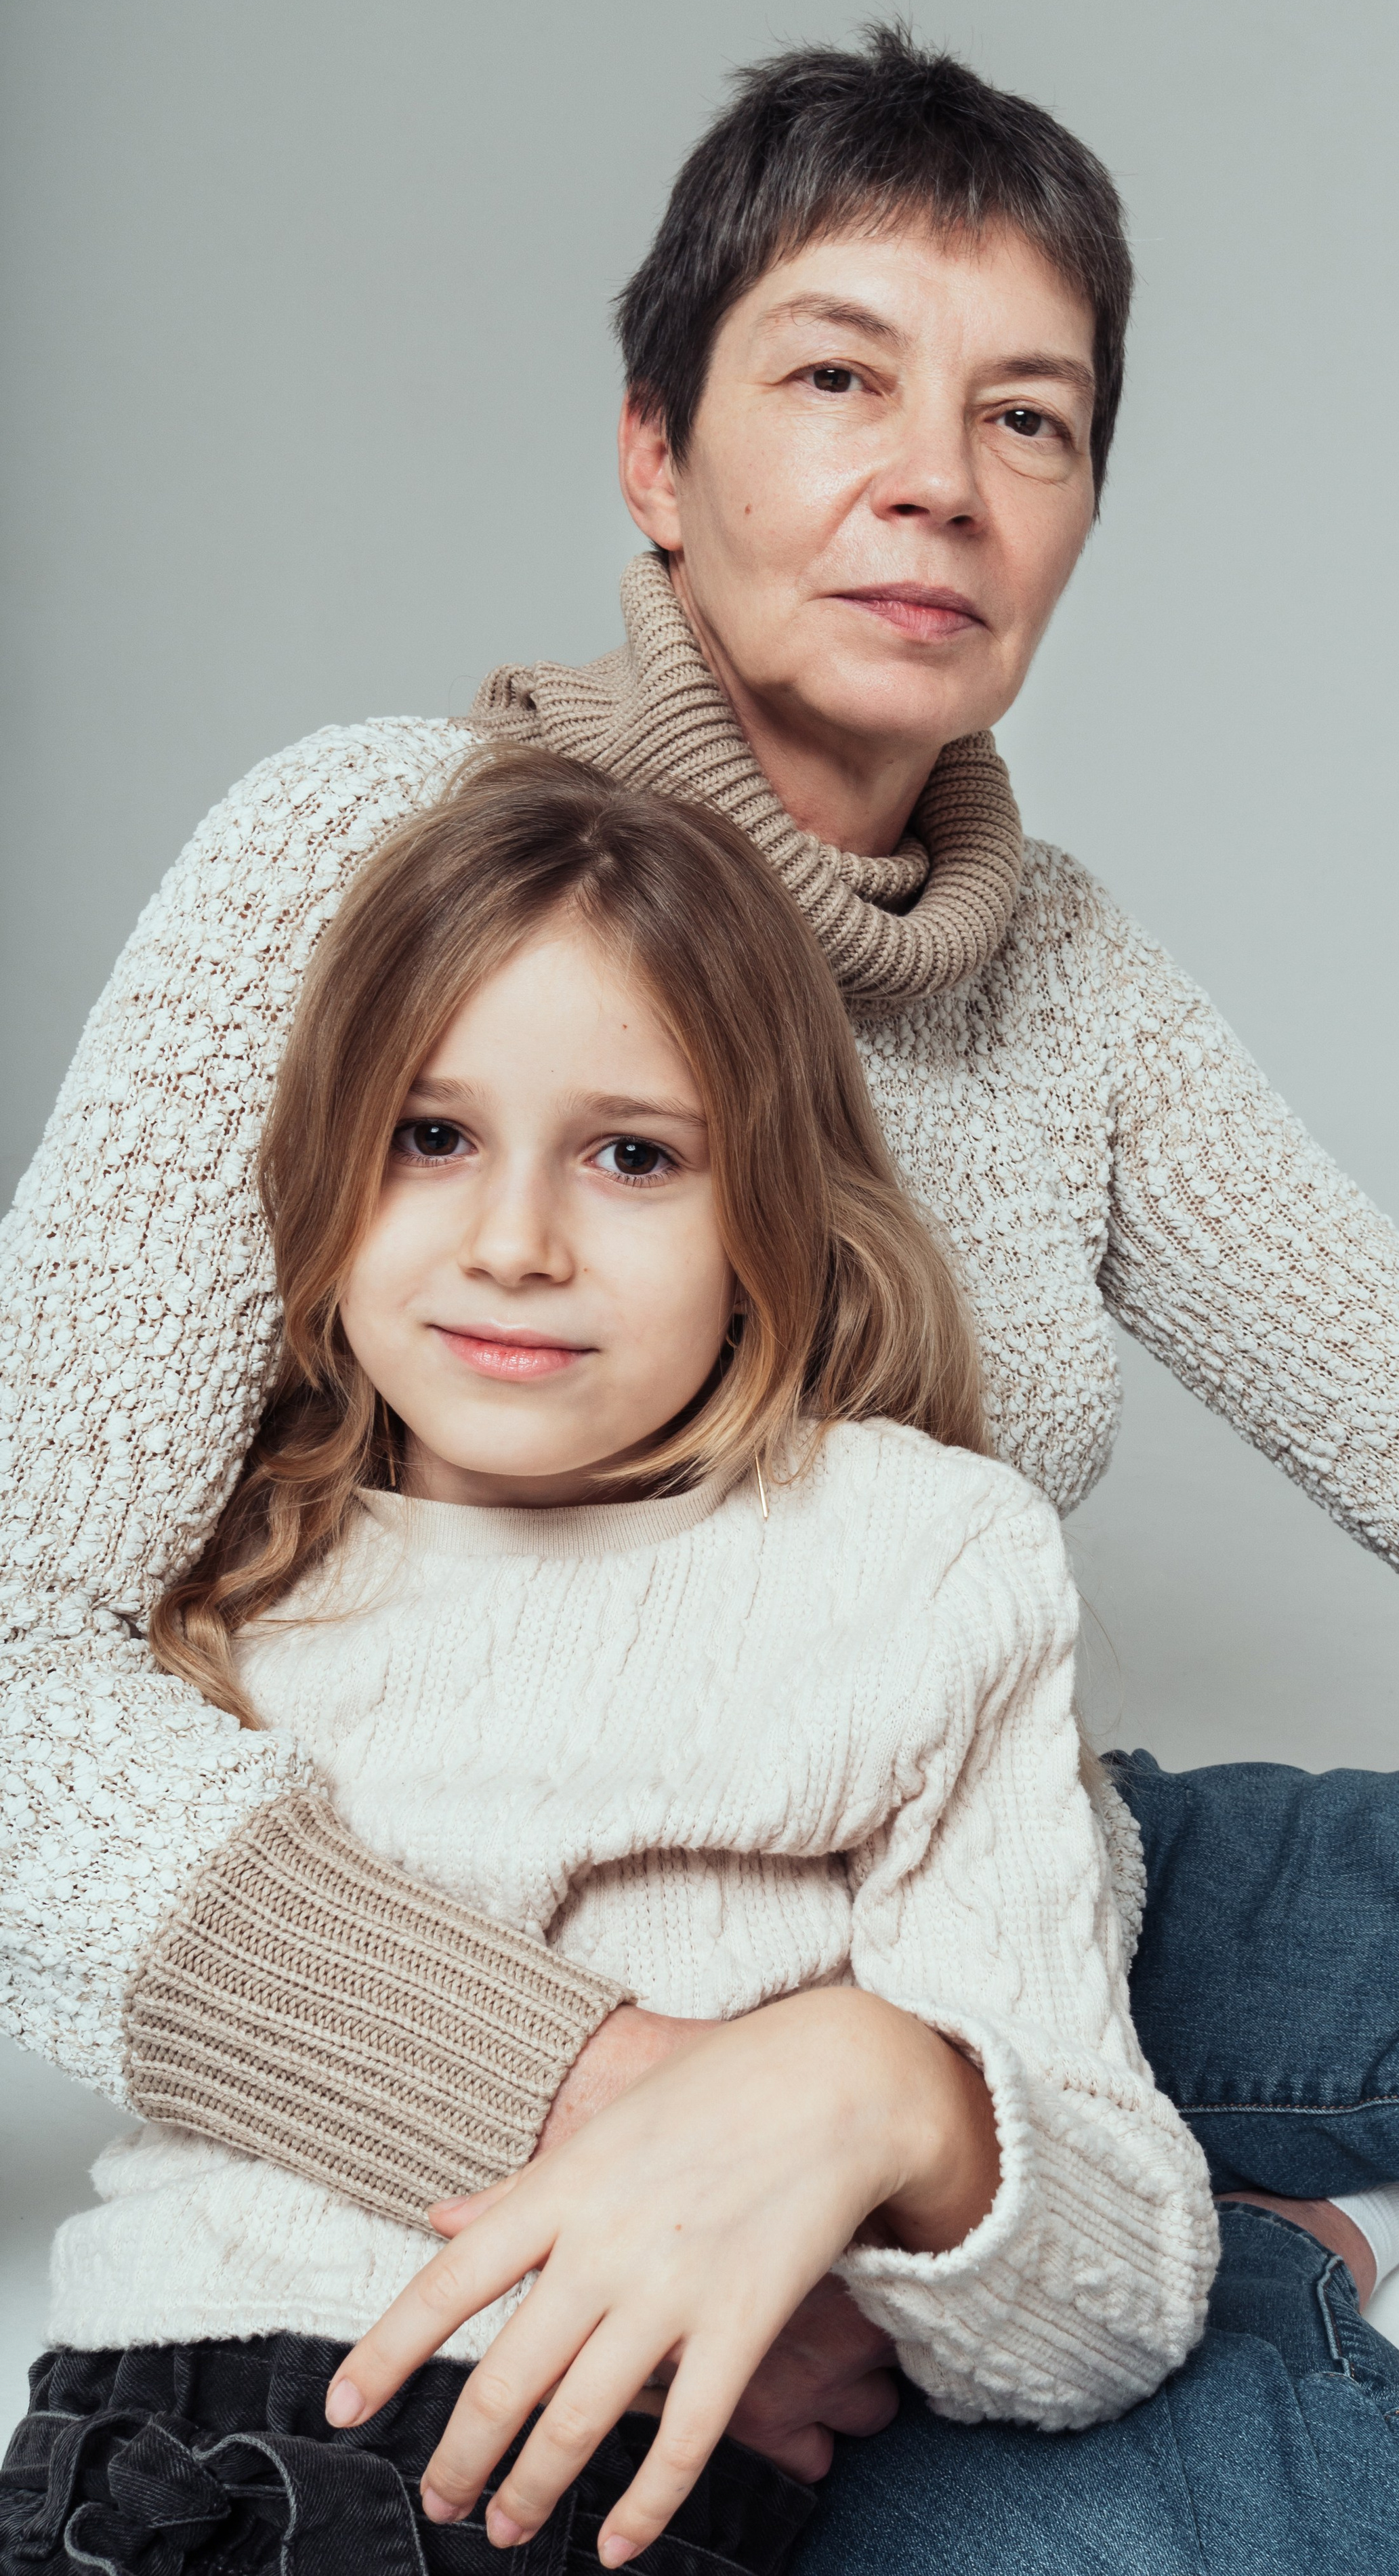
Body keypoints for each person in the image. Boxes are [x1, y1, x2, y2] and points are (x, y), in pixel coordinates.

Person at [1, 22, 1399, 2573]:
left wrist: (890, 2098)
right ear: (655, 454)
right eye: (837, 376)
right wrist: (631, 2108)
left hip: (972, 1910)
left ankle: (1169, 2246)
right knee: (1260, 2519)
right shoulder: (364, 865)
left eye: (1029, 420)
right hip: (465, 1992)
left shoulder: (1076, 997)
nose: (938, 473)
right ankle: (1247, 2301)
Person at [4, 750, 1217, 2571]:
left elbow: (1115, 2281)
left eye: (633, 1155)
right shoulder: (240, 1560)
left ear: (771, 1215)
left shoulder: (918, 1561)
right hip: (133, 2449)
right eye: (432, 1137)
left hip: (573, 2486)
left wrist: (886, 2090)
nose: (513, 1243)